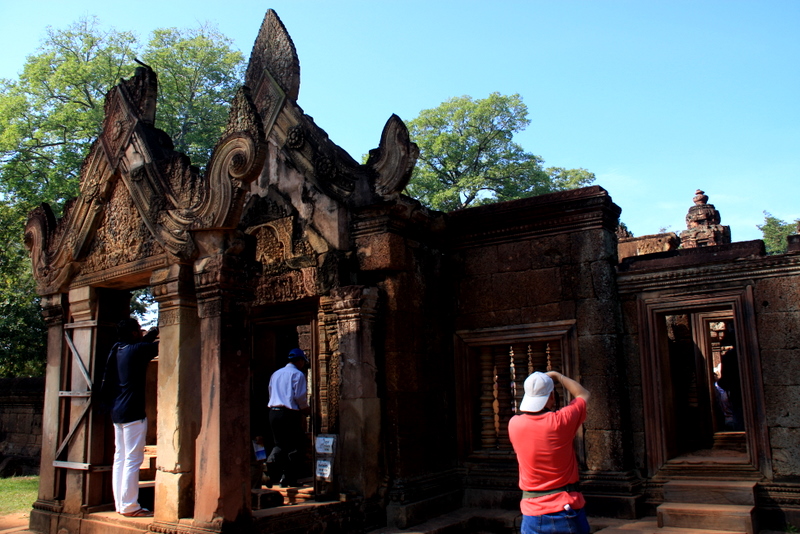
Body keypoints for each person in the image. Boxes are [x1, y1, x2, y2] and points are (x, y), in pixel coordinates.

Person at [508, 371, 591, 534]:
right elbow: (583, 394)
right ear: (551, 396)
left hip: (531, 512)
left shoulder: (514, 424)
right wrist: (557, 376)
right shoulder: (561, 421)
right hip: (564, 509)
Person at [103, 318, 159, 517]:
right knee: (133, 459)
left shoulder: (118, 349)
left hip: (117, 411)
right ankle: (130, 506)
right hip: (133, 413)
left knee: (120, 458)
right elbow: (157, 346)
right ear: (135, 333)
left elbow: (143, 344)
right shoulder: (136, 351)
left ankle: (121, 503)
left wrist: (152, 332)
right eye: (139, 331)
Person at [267, 348, 310, 488]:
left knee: (280, 444)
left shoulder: (276, 374)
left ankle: (272, 465)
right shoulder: (298, 374)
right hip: (289, 413)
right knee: (296, 446)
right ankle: (288, 477)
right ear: (300, 361)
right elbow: (299, 397)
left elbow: (271, 392)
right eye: (303, 361)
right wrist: (307, 410)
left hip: (274, 412)